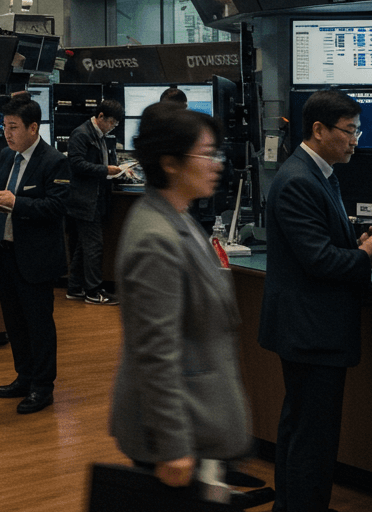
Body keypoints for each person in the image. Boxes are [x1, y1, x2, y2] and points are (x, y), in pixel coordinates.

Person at [110, 103, 251, 487]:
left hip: (203, 419)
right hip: (176, 435)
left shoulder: (180, 217)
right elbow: (155, 352)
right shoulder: (156, 238)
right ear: (170, 163)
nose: (217, 164)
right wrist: (173, 446)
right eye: (207, 154)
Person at [259, 90, 372, 512]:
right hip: (311, 330)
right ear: (319, 129)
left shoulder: (319, 173)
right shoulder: (297, 181)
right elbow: (320, 261)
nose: (355, 140)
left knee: (302, 428)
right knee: (313, 435)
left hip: (312, 327)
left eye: (357, 130)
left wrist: (353, 243)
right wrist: (367, 253)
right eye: (349, 131)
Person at [0, 97, 69, 414]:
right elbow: (1, 194)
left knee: (39, 325)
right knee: (15, 323)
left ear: (33, 128)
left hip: (36, 258)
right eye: (4, 126)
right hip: (6, 253)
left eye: (13, 127)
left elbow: (57, 208)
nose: (7, 134)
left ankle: (43, 387)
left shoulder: (54, 161)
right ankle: (24, 376)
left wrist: (15, 203)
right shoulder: (8, 156)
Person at [64, 98, 125, 305]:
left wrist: (116, 170)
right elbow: (77, 164)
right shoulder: (81, 134)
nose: (112, 127)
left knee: (84, 246)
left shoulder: (98, 134)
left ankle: (75, 287)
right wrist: (106, 171)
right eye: (112, 123)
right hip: (84, 200)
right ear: (100, 117)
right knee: (93, 246)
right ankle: (93, 291)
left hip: (93, 198)